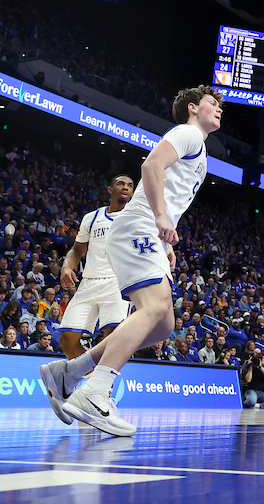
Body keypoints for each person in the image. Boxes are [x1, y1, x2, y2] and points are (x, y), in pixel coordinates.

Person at [39, 85, 222, 436]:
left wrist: (165, 234)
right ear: (194, 108)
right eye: (213, 103)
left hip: (146, 231)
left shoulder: (198, 148)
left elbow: (171, 189)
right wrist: (159, 217)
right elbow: (151, 165)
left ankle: (69, 373)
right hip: (140, 225)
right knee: (154, 308)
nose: (219, 109)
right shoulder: (187, 133)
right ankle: (95, 391)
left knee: (164, 324)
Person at [56, 175, 135, 359]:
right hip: (89, 281)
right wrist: (66, 267)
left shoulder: (135, 216)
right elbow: (76, 250)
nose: (125, 187)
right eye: (120, 183)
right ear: (110, 190)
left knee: (114, 338)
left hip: (117, 282)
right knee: (67, 340)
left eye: (130, 185)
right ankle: (94, 379)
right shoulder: (92, 217)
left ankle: (101, 384)